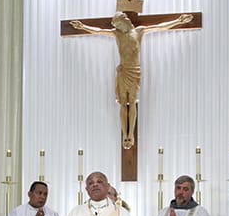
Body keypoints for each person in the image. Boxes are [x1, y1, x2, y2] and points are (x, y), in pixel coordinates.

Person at [70, 12, 193, 149]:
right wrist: (82, 27)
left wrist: (178, 21)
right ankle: (125, 134)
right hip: (123, 70)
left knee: (132, 101)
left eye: (117, 24)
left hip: (134, 71)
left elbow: (159, 27)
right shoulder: (117, 34)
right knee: (123, 103)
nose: (116, 27)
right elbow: (99, 31)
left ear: (125, 21)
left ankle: (131, 134)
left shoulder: (139, 31)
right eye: (116, 25)